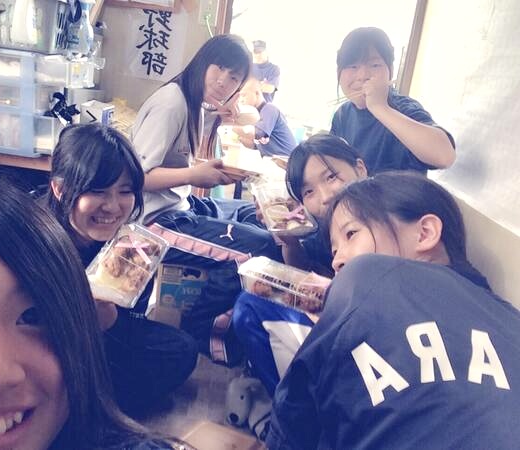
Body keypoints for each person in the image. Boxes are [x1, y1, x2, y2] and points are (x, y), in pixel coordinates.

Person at [0, 178, 192, 450]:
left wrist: (107, 320)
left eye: (33, 316)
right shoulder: (35, 238)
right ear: (60, 189)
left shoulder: (132, 246)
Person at [267, 172, 520, 450]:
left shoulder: (365, 273)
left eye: (351, 234)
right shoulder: (510, 319)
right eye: (334, 251)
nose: (337, 262)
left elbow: (293, 424)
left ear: (425, 233)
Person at [131, 34, 281, 365]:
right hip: (153, 220)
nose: (223, 81)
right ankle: (200, 328)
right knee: (260, 248)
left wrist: (210, 170)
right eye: (219, 68)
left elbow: (179, 163)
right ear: (202, 62)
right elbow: (137, 177)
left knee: (255, 215)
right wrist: (194, 175)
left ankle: (215, 316)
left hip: (179, 203)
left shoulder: (193, 101)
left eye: (234, 77)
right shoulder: (171, 104)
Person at [43, 123, 198, 416]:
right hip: (56, 356)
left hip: (104, 330)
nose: (113, 207)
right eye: (97, 191)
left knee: (182, 347)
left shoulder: (114, 240)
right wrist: (93, 324)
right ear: (60, 189)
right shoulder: (42, 248)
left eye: (125, 191)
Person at [232, 134, 368, 396]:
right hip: (342, 317)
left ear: (360, 169)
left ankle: (291, 409)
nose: (325, 197)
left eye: (331, 177)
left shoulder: (385, 217)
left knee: (249, 307)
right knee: (254, 291)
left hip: (371, 332)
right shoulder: (323, 230)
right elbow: (304, 272)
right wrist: (289, 240)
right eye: (309, 192)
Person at [330, 27, 456, 174]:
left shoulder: (402, 108)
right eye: (353, 66)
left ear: (390, 71)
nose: (363, 76)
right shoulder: (342, 115)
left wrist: (380, 107)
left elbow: (445, 157)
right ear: (338, 72)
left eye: (375, 65)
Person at [233, 77, 297, 158]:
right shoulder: (256, 115)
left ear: (257, 93)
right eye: (239, 97)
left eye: (243, 95)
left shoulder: (269, 109)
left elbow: (258, 134)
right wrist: (240, 137)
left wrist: (231, 125)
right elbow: (254, 145)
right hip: (275, 159)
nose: (241, 100)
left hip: (287, 160)